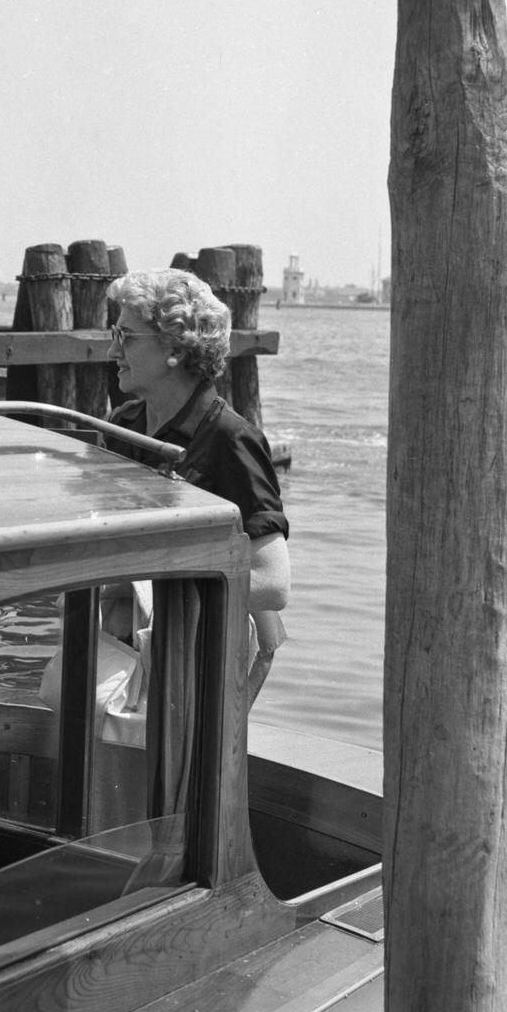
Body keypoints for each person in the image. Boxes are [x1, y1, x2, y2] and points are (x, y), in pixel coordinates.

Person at [105, 267, 290, 702]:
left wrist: (149, 587)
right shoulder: (122, 426)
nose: (113, 350)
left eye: (127, 337)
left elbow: (273, 582)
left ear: (173, 347)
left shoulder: (231, 438)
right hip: (122, 654)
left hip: (194, 672)